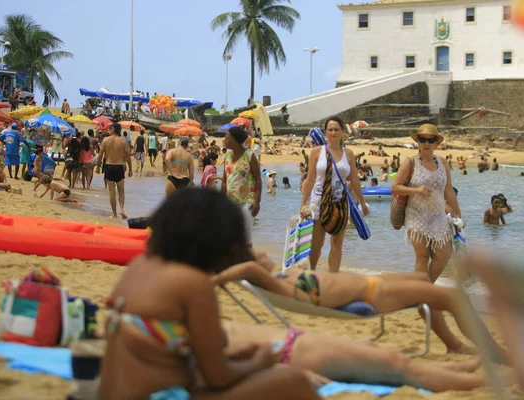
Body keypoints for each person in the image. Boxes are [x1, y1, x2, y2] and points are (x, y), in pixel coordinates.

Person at [99, 188, 320, 400]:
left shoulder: (140, 266)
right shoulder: (192, 283)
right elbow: (218, 377)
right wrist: (259, 362)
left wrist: (233, 359)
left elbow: (160, 355)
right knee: (293, 381)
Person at [213, 253, 507, 359]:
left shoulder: (281, 276)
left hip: (374, 283)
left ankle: (453, 344)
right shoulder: (277, 283)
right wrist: (214, 278)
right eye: (255, 253)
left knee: (421, 278)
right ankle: (494, 352)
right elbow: (246, 268)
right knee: (455, 297)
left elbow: (249, 264)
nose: (262, 251)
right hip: (374, 294)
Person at [224, 320, 495, 392]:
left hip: (288, 348)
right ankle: (486, 382)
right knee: (397, 364)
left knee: (376, 350)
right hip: (287, 352)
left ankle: (456, 371)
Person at [391, 124, 460, 282]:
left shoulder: (443, 163)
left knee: (444, 254)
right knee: (422, 256)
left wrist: (457, 213)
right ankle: (422, 294)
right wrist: (416, 190)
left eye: (431, 140)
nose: (427, 143)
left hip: (438, 215)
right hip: (416, 214)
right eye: (423, 139)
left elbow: (448, 190)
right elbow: (395, 187)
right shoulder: (411, 162)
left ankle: (423, 288)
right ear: (418, 142)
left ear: (437, 143)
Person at [300, 116, 369, 273]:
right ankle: (312, 273)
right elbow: (309, 180)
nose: (333, 132)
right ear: (325, 133)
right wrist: (303, 203)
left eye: (336, 129)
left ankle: (333, 278)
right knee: (317, 244)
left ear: (343, 132)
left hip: (340, 203)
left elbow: (354, 180)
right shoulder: (317, 152)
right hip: (318, 203)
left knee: (337, 243)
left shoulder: (349, 154)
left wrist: (362, 202)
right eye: (330, 130)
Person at [222, 126, 263, 245]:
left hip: (247, 202)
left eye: (227, 138)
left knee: (246, 237)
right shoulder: (227, 157)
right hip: (230, 203)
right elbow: (224, 181)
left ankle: (248, 260)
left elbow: (258, 180)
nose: (224, 140)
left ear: (235, 140)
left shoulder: (249, 155)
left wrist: (257, 202)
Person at [96, 123, 133, 219]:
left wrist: (98, 166)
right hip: (119, 167)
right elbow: (128, 156)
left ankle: (114, 214)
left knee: (112, 191)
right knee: (121, 191)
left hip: (109, 166)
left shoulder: (105, 140)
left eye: (109, 128)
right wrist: (130, 169)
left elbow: (100, 154)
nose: (108, 129)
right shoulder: (123, 141)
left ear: (113, 129)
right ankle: (122, 209)